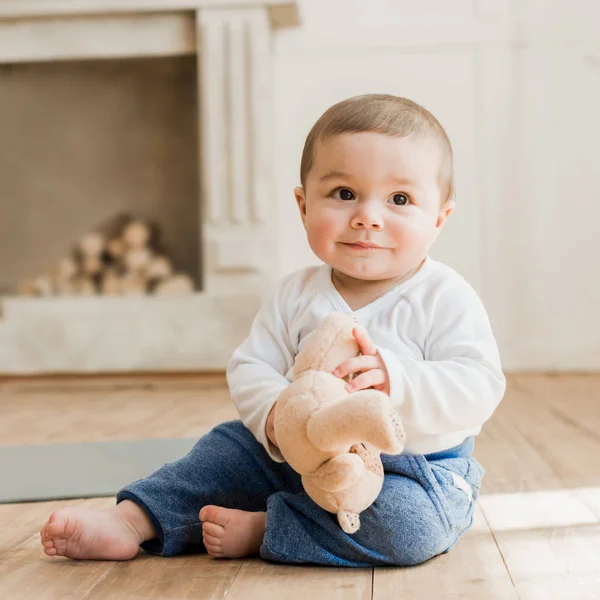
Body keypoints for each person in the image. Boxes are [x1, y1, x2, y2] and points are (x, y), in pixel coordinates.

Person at [40, 94, 505, 567]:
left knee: (410, 527)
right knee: (223, 451)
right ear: (303, 205)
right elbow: (252, 365)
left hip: (413, 469)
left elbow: (480, 384)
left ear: (439, 219)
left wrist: (397, 382)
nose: (368, 216)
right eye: (344, 194)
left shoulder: (444, 296)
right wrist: (276, 417)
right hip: (297, 458)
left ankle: (271, 526)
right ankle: (132, 520)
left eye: (399, 200)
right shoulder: (295, 294)